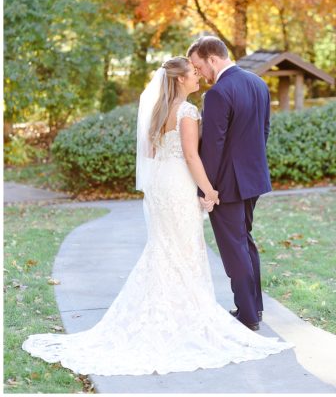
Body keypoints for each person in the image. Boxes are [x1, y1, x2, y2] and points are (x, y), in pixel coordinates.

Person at [22, 57, 290, 375]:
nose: (198, 79)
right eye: (192, 75)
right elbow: (191, 155)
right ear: (179, 80)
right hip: (178, 186)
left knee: (164, 248)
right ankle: (186, 314)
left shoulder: (157, 111)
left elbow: (151, 153)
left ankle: (167, 310)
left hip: (161, 184)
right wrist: (209, 190)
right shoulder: (188, 113)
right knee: (185, 249)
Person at [187, 36, 273, 331]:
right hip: (254, 179)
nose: (200, 74)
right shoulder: (258, 83)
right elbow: (264, 132)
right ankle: (254, 308)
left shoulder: (218, 94)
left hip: (226, 186)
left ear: (212, 58)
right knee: (244, 241)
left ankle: (247, 315)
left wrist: (206, 191)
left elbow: (212, 148)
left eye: (199, 66)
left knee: (234, 247)